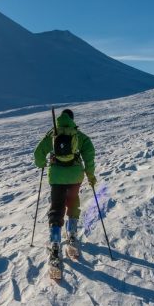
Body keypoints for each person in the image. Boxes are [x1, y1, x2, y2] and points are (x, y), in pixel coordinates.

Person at [33, 108, 96, 259]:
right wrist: (90, 174)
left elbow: (38, 153)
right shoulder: (78, 135)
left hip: (56, 177)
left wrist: (42, 164)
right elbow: (89, 154)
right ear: (72, 119)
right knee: (73, 202)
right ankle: (72, 235)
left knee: (57, 207)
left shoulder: (53, 133)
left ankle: (55, 244)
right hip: (75, 176)